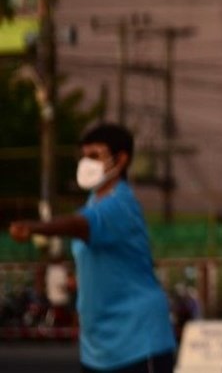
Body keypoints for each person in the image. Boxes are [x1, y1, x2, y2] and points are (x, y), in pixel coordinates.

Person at [8, 122, 176, 372]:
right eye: (84, 157)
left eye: (95, 156)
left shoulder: (120, 204)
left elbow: (78, 225)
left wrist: (35, 227)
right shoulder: (93, 202)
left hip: (138, 340)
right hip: (99, 347)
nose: (86, 163)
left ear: (121, 160)